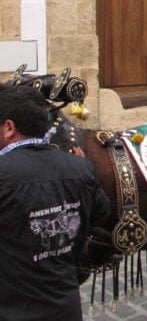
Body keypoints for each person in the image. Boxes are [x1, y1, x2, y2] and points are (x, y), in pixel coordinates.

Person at [0, 85, 110, 320]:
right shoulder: (79, 166)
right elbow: (101, 215)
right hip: (65, 308)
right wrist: (85, 172)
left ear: (9, 128)